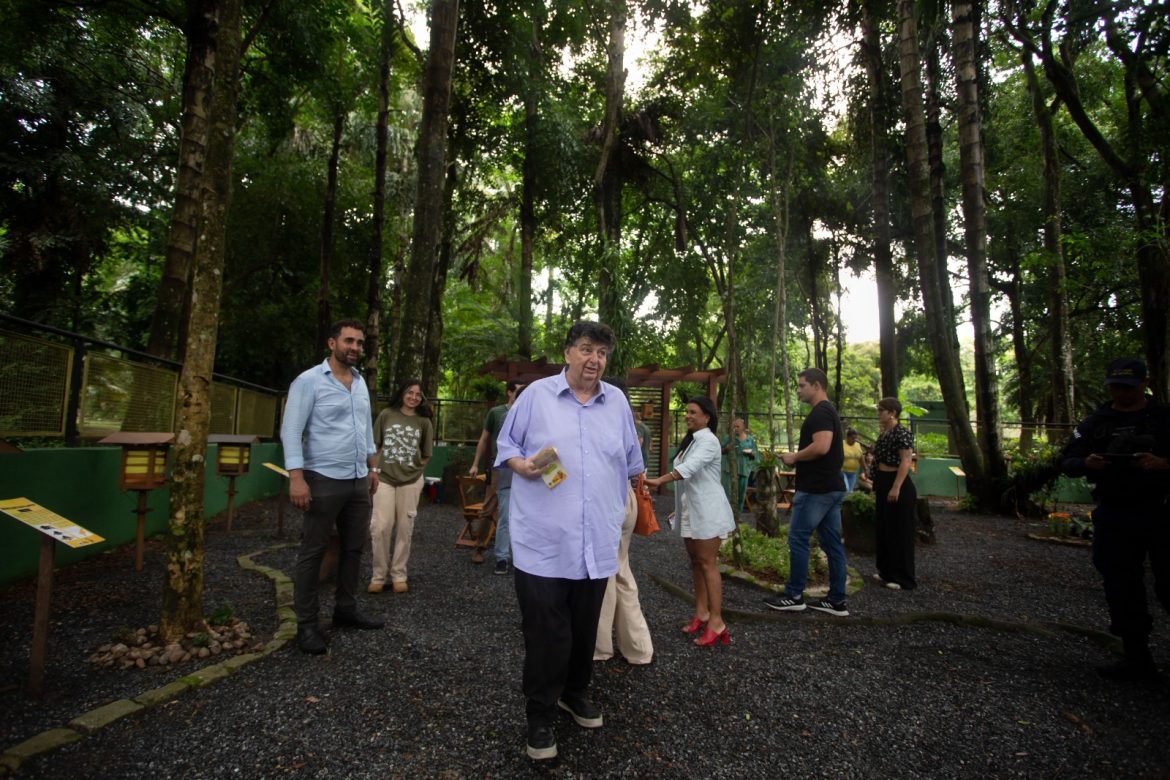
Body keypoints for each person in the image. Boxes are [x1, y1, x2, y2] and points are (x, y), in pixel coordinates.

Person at [495, 321, 643, 761]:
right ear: (567, 353)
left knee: (584, 628)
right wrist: (521, 466)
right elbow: (505, 447)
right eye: (585, 349)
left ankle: (574, 693)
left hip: (595, 540)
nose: (593, 359)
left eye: (601, 352)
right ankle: (539, 715)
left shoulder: (616, 402)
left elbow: (631, 464)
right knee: (545, 632)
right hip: (542, 540)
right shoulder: (535, 397)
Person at [1061, 357, 1170, 681]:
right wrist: (1087, 463)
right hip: (1115, 511)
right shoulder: (1097, 422)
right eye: (1116, 387)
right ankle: (1137, 657)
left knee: (1168, 584)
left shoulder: (1163, 419)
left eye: (1128, 387)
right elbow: (1067, 460)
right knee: (1121, 585)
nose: (1121, 393)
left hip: (1162, 510)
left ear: (1144, 385)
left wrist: (1163, 463)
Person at [281, 319, 385, 655]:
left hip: (357, 480)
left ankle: (345, 610)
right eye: (349, 341)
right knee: (312, 553)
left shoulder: (360, 383)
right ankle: (307, 626)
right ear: (332, 343)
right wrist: (296, 477)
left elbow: (365, 429)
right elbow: (291, 431)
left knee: (354, 548)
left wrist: (372, 467)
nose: (355, 347)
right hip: (322, 478)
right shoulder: (308, 382)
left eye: (359, 343)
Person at [646, 396, 737, 646]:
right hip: (691, 511)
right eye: (686, 411)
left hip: (708, 511)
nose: (687, 415)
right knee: (695, 562)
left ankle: (717, 621)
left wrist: (657, 481)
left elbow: (689, 469)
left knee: (708, 563)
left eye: (693, 412)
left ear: (707, 417)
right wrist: (678, 509)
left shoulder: (708, 440)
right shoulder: (691, 442)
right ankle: (701, 612)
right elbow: (687, 480)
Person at [763, 367, 850, 617]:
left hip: (816, 489)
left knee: (798, 538)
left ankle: (794, 595)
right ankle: (836, 601)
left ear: (817, 385)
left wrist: (794, 457)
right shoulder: (827, 411)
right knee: (832, 544)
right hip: (830, 487)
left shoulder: (821, 412)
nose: (799, 390)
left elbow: (821, 447)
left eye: (802, 385)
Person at [594, 376, 653, 665]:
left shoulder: (606, 420)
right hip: (627, 498)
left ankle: (599, 646)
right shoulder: (630, 423)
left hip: (610, 500)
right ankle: (638, 648)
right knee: (621, 571)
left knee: (603, 574)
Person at [367, 378, 434, 595]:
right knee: (380, 526)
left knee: (405, 529)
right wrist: (374, 471)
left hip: (411, 481)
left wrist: (415, 471)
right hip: (384, 478)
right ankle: (378, 575)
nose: (414, 397)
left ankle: (399, 574)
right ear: (402, 393)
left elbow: (426, 454)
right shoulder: (387, 415)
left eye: (418, 394)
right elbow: (375, 446)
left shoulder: (424, 421)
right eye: (410, 392)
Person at [468, 380, 523, 567]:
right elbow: (484, 439)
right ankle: (479, 547)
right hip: (499, 468)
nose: (521, 393)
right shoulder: (497, 413)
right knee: (489, 507)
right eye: (517, 390)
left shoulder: (528, 412)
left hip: (521, 469)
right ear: (509, 392)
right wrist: (475, 464)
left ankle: (514, 554)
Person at [870, 398, 916, 590]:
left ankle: (902, 577)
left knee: (899, 530)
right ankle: (886, 571)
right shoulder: (884, 433)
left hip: (897, 483)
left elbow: (906, 460)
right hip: (882, 481)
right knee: (884, 527)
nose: (878, 413)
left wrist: (896, 486)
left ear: (892, 413)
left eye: (881, 410)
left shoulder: (902, 433)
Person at [723, 416, 757, 513]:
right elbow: (720, 451)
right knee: (729, 493)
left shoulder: (750, 440)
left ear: (743, 427)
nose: (735, 429)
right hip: (730, 470)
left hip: (744, 470)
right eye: (734, 427)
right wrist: (726, 449)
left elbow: (755, 455)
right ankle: (728, 515)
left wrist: (751, 454)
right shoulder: (729, 438)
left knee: (741, 494)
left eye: (738, 426)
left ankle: (738, 515)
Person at [841, 428, 864, 493]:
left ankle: (844, 502)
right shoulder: (841, 444)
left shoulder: (857, 445)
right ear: (847, 437)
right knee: (846, 488)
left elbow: (861, 457)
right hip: (842, 471)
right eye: (853, 438)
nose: (854, 440)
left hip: (853, 473)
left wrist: (866, 468)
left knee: (850, 491)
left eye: (856, 438)